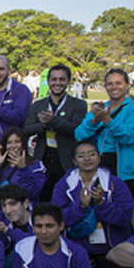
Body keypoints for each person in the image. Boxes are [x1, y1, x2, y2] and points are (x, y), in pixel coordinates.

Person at [52, 140, 134, 268]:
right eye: (81, 156)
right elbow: (57, 218)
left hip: (109, 245)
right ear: (74, 161)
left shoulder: (115, 183)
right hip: (77, 244)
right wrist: (81, 207)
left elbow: (125, 218)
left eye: (91, 154)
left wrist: (103, 204)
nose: (87, 159)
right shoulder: (65, 185)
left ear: (99, 157)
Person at [74, 68, 134, 197]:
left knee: (121, 206)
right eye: (109, 84)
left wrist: (108, 120)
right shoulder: (98, 109)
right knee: (96, 205)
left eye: (118, 83)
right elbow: (79, 135)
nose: (114, 87)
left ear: (127, 85)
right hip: (97, 166)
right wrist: (95, 121)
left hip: (124, 170)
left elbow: (130, 138)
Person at [22, 63, 87, 201]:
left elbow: (77, 130)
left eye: (62, 79)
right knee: (43, 201)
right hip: (43, 159)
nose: (58, 83)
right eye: (54, 79)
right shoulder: (38, 105)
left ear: (68, 81)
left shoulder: (79, 105)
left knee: (66, 202)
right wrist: (42, 125)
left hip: (67, 160)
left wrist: (53, 121)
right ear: (48, 81)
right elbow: (26, 129)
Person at [0, 127, 47, 203]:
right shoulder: (0, 163)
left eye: (17, 142)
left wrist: (23, 169)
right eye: (9, 143)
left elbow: (33, 193)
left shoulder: (36, 165)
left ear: (23, 144)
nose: (13, 146)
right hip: (1, 207)